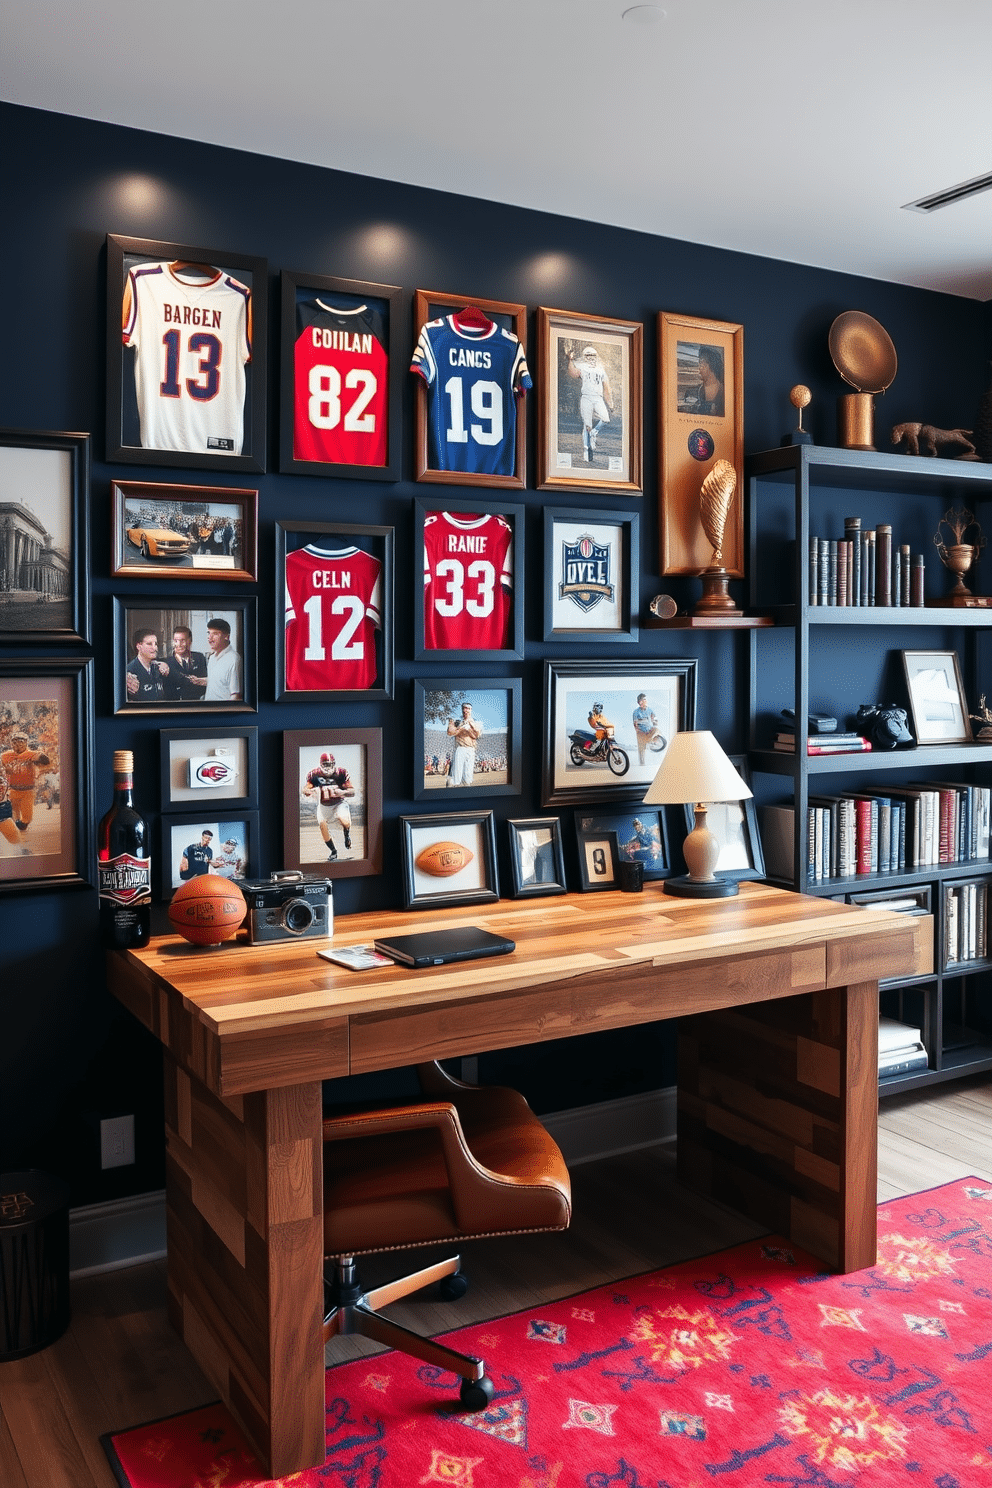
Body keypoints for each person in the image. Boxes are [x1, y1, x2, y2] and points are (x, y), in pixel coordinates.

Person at [0, 733, 50, 848]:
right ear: (11, 743)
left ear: (26, 742)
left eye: (21, 741)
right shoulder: (5, 756)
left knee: (27, 818)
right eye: (15, 741)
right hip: (12, 789)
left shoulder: (30, 754)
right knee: (12, 816)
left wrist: (41, 758)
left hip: (28, 790)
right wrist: (4, 770)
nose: (18, 744)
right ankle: (18, 843)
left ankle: (21, 828)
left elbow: (43, 759)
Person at [303, 751, 355, 860]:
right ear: (321, 764)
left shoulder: (341, 773)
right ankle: (333, 851)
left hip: (339, 803)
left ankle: (347, 835)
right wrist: (309, 791)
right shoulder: (314, 774)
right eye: (325, 764)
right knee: (323, 827)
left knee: (344, 820)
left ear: (334, 764)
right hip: (323, 806)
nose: (328, 767)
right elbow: (306, 789)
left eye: (330, 764)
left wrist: (342, 792)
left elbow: (352, 791)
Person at [567, 344, 613, 464]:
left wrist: (610, 403)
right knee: (587, 425)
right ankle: (587, 453)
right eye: (588, 355)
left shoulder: (601, 369)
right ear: (585, 357)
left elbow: (606, 387)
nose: (591, 358)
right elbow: (573, 373)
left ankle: (594, 432)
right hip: (586, 397)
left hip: (598, 398)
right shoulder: (582, 367)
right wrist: (570, 359)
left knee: (606, 419)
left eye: (593, 355)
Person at [161, 625, 208, 702]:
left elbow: (204, 684)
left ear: (190, 641)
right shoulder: (167, 662)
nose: (178, 644)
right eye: (176, 640)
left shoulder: (199, 657)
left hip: (197, 704)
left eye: (182, 640)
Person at [204, 618, 242, 702]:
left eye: (215, 634)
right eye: (209, 633)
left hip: (221, 713)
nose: (210, 638)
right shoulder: (212, 658)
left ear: (226, 637)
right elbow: (218, 682)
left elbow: (235, 695)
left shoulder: (234, 659)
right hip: (208, 711)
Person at [125, 628, 168, 701]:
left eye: (156, 644)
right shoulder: (130, 671)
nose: (155, 648)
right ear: (139, 646)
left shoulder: (158, 668)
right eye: (149, 644)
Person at [446, 702, 483, 787]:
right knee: (456, 776)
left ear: (471, 710)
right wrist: (461, 728)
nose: (466, 710)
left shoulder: (475, 722)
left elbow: (476, 735)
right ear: (462, 709)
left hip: (471, 749)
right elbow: (450, 732)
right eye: (464, 708)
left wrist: (470, 727)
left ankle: (466, 792)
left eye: (468, 709)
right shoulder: (457, 721)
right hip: (460, 748)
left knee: (468, 777)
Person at [687, 345, 724, 417]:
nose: (699, 370)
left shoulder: (723, 392)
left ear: (711, 366)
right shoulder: (698, 391)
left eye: (702, 364)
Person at [632, 694, 664, 764]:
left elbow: (654, 719)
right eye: (640, 701)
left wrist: (655, 723)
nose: (643, 702)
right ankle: (642, 764)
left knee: (657, 730)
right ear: (639, 702)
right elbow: (635, 723)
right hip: (641, 733)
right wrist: (638, 731)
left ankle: (652, 742)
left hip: (649, 730)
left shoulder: (650, 710)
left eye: (644, 700)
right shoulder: (636, 712)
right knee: (641, 750)